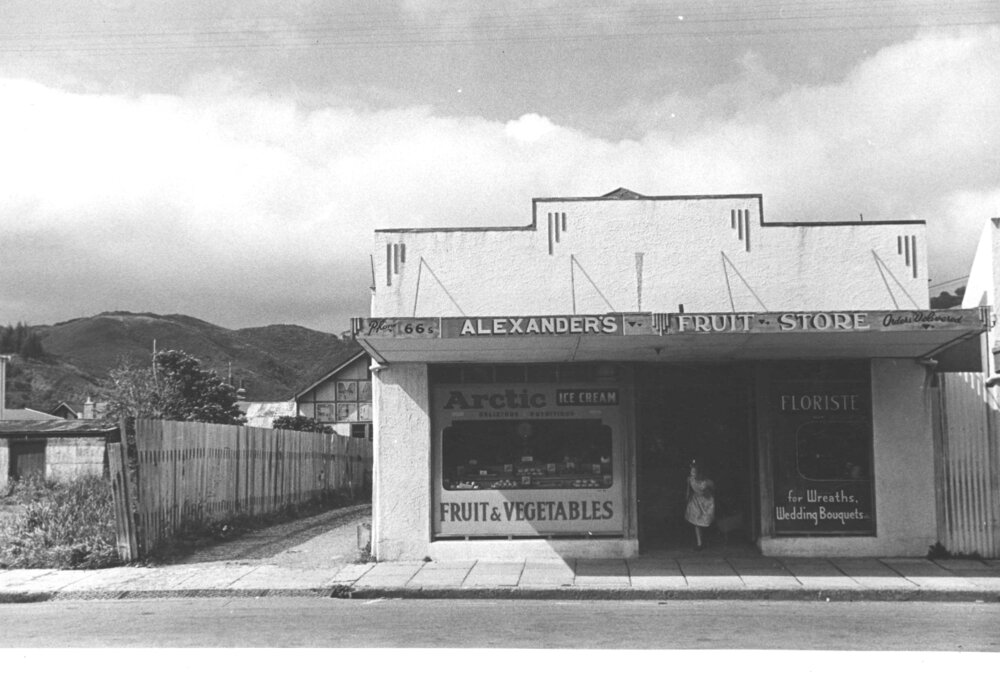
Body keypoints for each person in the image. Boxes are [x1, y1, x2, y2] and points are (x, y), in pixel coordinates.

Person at [685, 461, 715, 550]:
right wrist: (687, 497)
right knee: (696, 522)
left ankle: (706, 540)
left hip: (706, 502)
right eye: (691, 471)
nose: (692, 473)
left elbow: (713, 489)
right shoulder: (690, 479)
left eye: (694, 472)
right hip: (696, 501)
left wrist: (708, 494)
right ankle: (699, 543)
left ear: (699, 472)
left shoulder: (707, 481)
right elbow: (688, 490)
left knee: (706, 521)